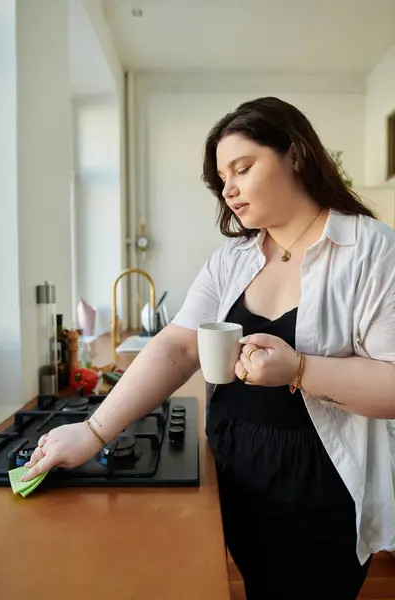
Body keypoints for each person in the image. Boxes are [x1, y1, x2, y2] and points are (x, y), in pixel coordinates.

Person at [22, 97, 395, 599]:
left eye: (242, 168)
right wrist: (92, 432)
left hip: (319, 488)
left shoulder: (370, 249)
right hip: (236, 471)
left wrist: (300, 369)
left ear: (297, 154)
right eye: (223, 179)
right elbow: (178, 346)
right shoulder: (233, 257)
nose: (231, 190)